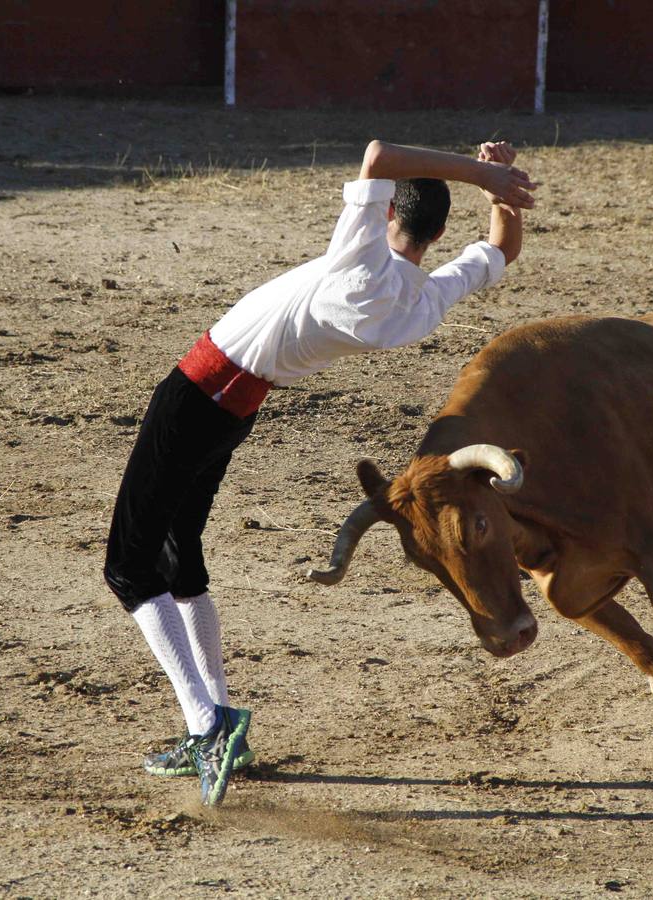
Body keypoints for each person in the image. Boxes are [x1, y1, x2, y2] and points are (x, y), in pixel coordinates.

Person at [103, 139, 536, 805]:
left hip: (200, 394)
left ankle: (207, 727)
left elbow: (376, 154)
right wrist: (500, 194)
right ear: (440, 232)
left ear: (389, 209)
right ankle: (217, 728)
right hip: (236, 410)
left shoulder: (357, 261)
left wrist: (481, 172)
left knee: (130, 568)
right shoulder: (421, 302)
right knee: (177, 554)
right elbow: (503, 250)